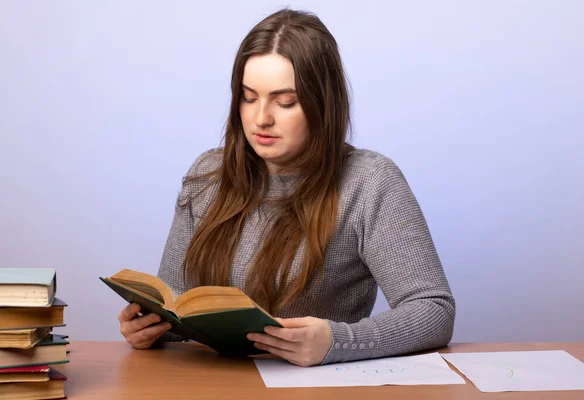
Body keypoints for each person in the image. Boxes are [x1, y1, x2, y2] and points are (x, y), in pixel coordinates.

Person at [117, 8, 455, 367]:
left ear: (322, 104)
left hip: (313, 388)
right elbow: (176, 302)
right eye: (248, 98)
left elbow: (434, 310)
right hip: (214, 383)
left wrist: (337, 341)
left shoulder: (370, 182)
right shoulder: (208, 174)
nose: (261, 118)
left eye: (285, 102)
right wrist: (150, 327)